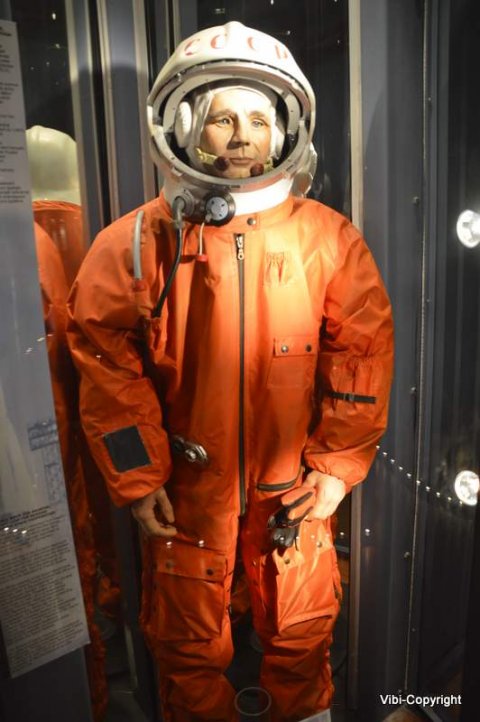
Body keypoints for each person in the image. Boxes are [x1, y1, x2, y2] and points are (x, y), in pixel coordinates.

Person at [67, 21, 394, 722]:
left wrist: (337, 466)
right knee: (186, 643)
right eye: (222, 118)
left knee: (301, 627)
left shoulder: (327, 240)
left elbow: (361, 355)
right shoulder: (136, 243)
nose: (242, 136)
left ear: (282, 135)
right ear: (186, 128)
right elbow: (103, 360)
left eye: (258, 120)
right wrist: (139, 475)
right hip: (188, 491)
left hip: (292, 490)